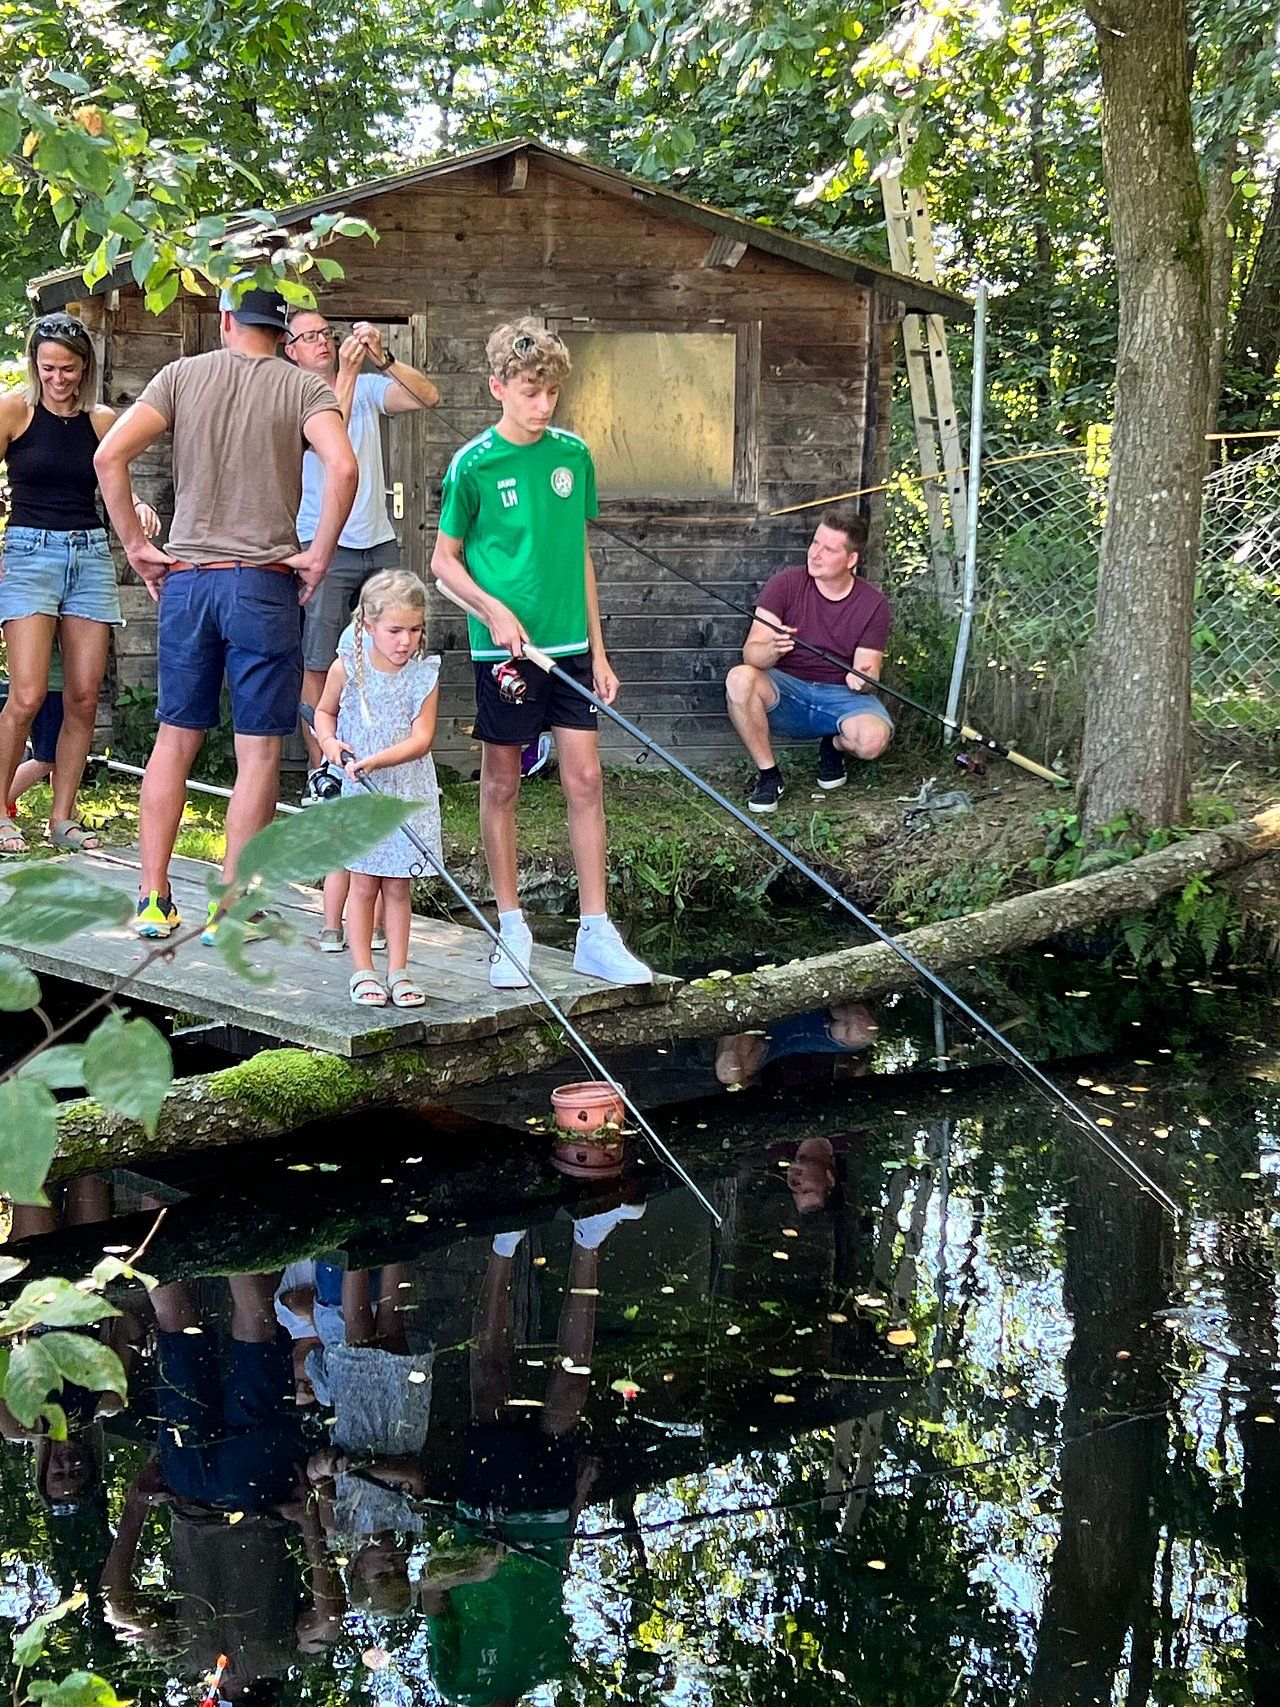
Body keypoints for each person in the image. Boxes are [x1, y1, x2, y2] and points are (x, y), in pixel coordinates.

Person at [92, 286, 358, 941]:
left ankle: (154, 899)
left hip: (186, 584)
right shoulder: (303, 389)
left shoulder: (181, 375)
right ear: (282, 332)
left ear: (228, 320)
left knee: (173, 742)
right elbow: (344, 467)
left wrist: (137, 546)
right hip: (263, 585)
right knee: (259, 752)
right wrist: (319, 555)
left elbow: (108, 456)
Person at [432, 318, 651, 990]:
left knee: (585, 781)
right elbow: (444, 562)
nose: (543, 403)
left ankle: (595, 930)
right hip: (504, 651)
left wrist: (602, 651)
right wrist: (493, 609)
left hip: (570, 648)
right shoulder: (472, 463)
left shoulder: (573, 455)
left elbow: (578, 554)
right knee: (501, 783)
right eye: (530, 390)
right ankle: (512, 927)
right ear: (499, 387)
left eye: (551, 391)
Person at [0, 312, 160, 856]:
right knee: (24, 695)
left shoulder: (102, 420)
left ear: (84, 367)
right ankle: (1, 812)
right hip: (28, 553)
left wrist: (138, 508)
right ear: (34, 364)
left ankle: (62, 818)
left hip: (88, 554)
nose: (57, 379)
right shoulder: (14, 411)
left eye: (67, 369)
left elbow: (118, 489)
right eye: (47, 368)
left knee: (85, 697)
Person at [283, 309, 440, 805]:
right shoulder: (294, 396)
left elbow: (428, 396)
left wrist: (385, 358)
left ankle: (386, 758)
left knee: (398, 645)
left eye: (326, 334)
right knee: (317, 659)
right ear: (291, 350)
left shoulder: (370, 386)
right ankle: (322, 772)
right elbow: (336, 438)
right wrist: (349, 374)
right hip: (323, 542)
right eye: (309, 337)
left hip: (378, 539)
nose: (323, 343)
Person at [313, 569, 441, 1008]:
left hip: (404, 791)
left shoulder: (423, 675)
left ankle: (399, 970)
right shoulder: (349, 664)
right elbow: (324, 713)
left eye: (415, 630)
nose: (405, 641)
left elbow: (422, 739)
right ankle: (363, 970)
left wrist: (376, 761)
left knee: (399, 887)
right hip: (361, 794)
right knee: (363, 883)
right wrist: (330, 743)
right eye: (395, 630)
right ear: (368, 626)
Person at [724, 510, 893, 813]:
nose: (815, 554)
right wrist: (772, 650)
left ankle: (834, 745)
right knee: (739, 678)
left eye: (828, 549)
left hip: (840, 695)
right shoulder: (785, 584)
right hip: (786, 690)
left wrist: (863, 679)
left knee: (872, 740)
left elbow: (868, 673)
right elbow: (751, 654)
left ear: (851, 559)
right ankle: (769, 775)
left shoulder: (874, 604)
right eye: (815, 543)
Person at [4, 636, 64, 817]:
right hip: (52, 688)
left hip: (54, 686)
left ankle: (68, 809)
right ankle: (5, 798)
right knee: (47, 759)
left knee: (62, 758)